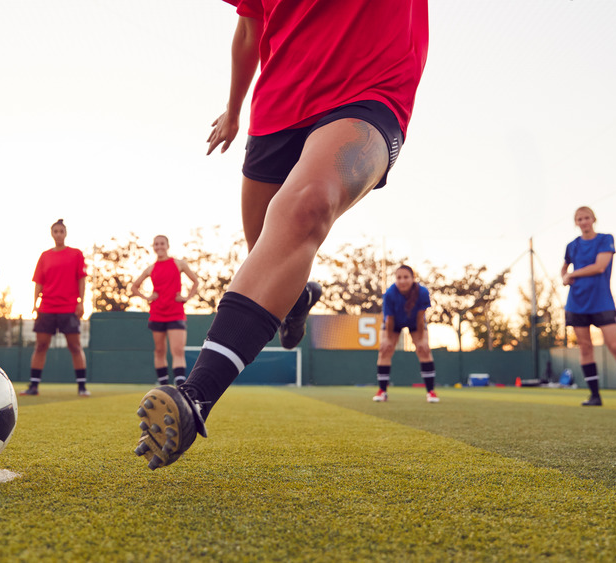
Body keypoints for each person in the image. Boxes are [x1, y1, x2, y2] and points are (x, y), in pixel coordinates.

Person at [133, 0, 429, 470]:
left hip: (370, 91)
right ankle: (294, 301)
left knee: (307, 205)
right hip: (277, 110)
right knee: (266, 253)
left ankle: (196, 397)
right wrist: (233, 110)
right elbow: (250, 30)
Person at [562, 206, 616, 408]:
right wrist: (564, 277)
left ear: (593, 219)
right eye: (579, 219)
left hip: (601, 301)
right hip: (577, 303)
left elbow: (600, 266)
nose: (583, 222)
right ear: (576, 223)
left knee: (615, 346)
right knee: (585, 347)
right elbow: (564, 266)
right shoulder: (571, 246)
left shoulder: (605, 239)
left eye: (586, 218)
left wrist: (572, 275)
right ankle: (594, 396)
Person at [21, 219, 90, 397]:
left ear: (65, 233)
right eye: (55, 231)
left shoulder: (76, 254)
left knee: (75, 346)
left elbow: (81, 279)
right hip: (47, 308)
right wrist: (35, 304)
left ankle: (82, 387)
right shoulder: (45, 256)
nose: (58, 234)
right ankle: (33, 386)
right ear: (52, 234)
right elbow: (39, 282)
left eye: (61, 231)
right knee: (41, 346)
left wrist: (81, 302)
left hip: (69, 308)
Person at [129, 235, 201, 386]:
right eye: (156, 244)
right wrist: (147, 297)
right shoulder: (151, 268)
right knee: (160, 351)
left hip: (176, 313)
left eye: (162, 243)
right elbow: (134, 287)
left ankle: (180, 387)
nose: (159, 246)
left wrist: (187, 297)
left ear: (167, 245)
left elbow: (195, 281)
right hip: (157, 314)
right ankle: (163, 387)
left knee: (177, 351)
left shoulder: (178, 263)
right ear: (153, 247)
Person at [373, 265, 438, 403]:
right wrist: (388, 341)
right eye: (399, 277)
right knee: (385, 350)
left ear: (413, 278)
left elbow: (421, 317)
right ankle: (382, 391)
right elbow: (389, 319)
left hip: (415, 321)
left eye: (406, 277)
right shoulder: (390, 293)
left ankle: (431, 392)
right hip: (394, 322)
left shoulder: (422, 292)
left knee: (424, 350)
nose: (402, 281)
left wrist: (421, 340)